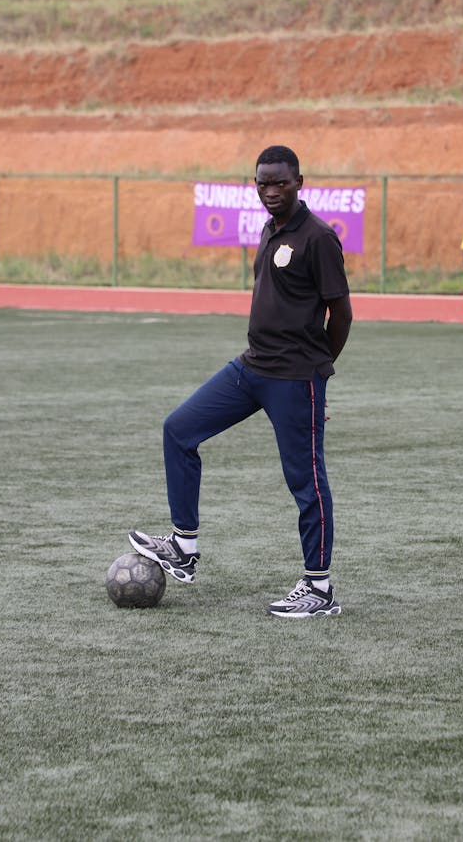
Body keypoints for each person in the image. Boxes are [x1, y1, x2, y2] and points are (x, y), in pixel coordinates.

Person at [128, 145, 353, 618]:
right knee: (179, 429)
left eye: (280, 183)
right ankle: (184, 548)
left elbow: (342, 314)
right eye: (262, 183)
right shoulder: (270, 230)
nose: (270, 191)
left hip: (295, 378)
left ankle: (319, 589)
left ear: (299, 182)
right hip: (251, 368)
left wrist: (319, 374)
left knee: (306, 482)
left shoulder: (318, 238)